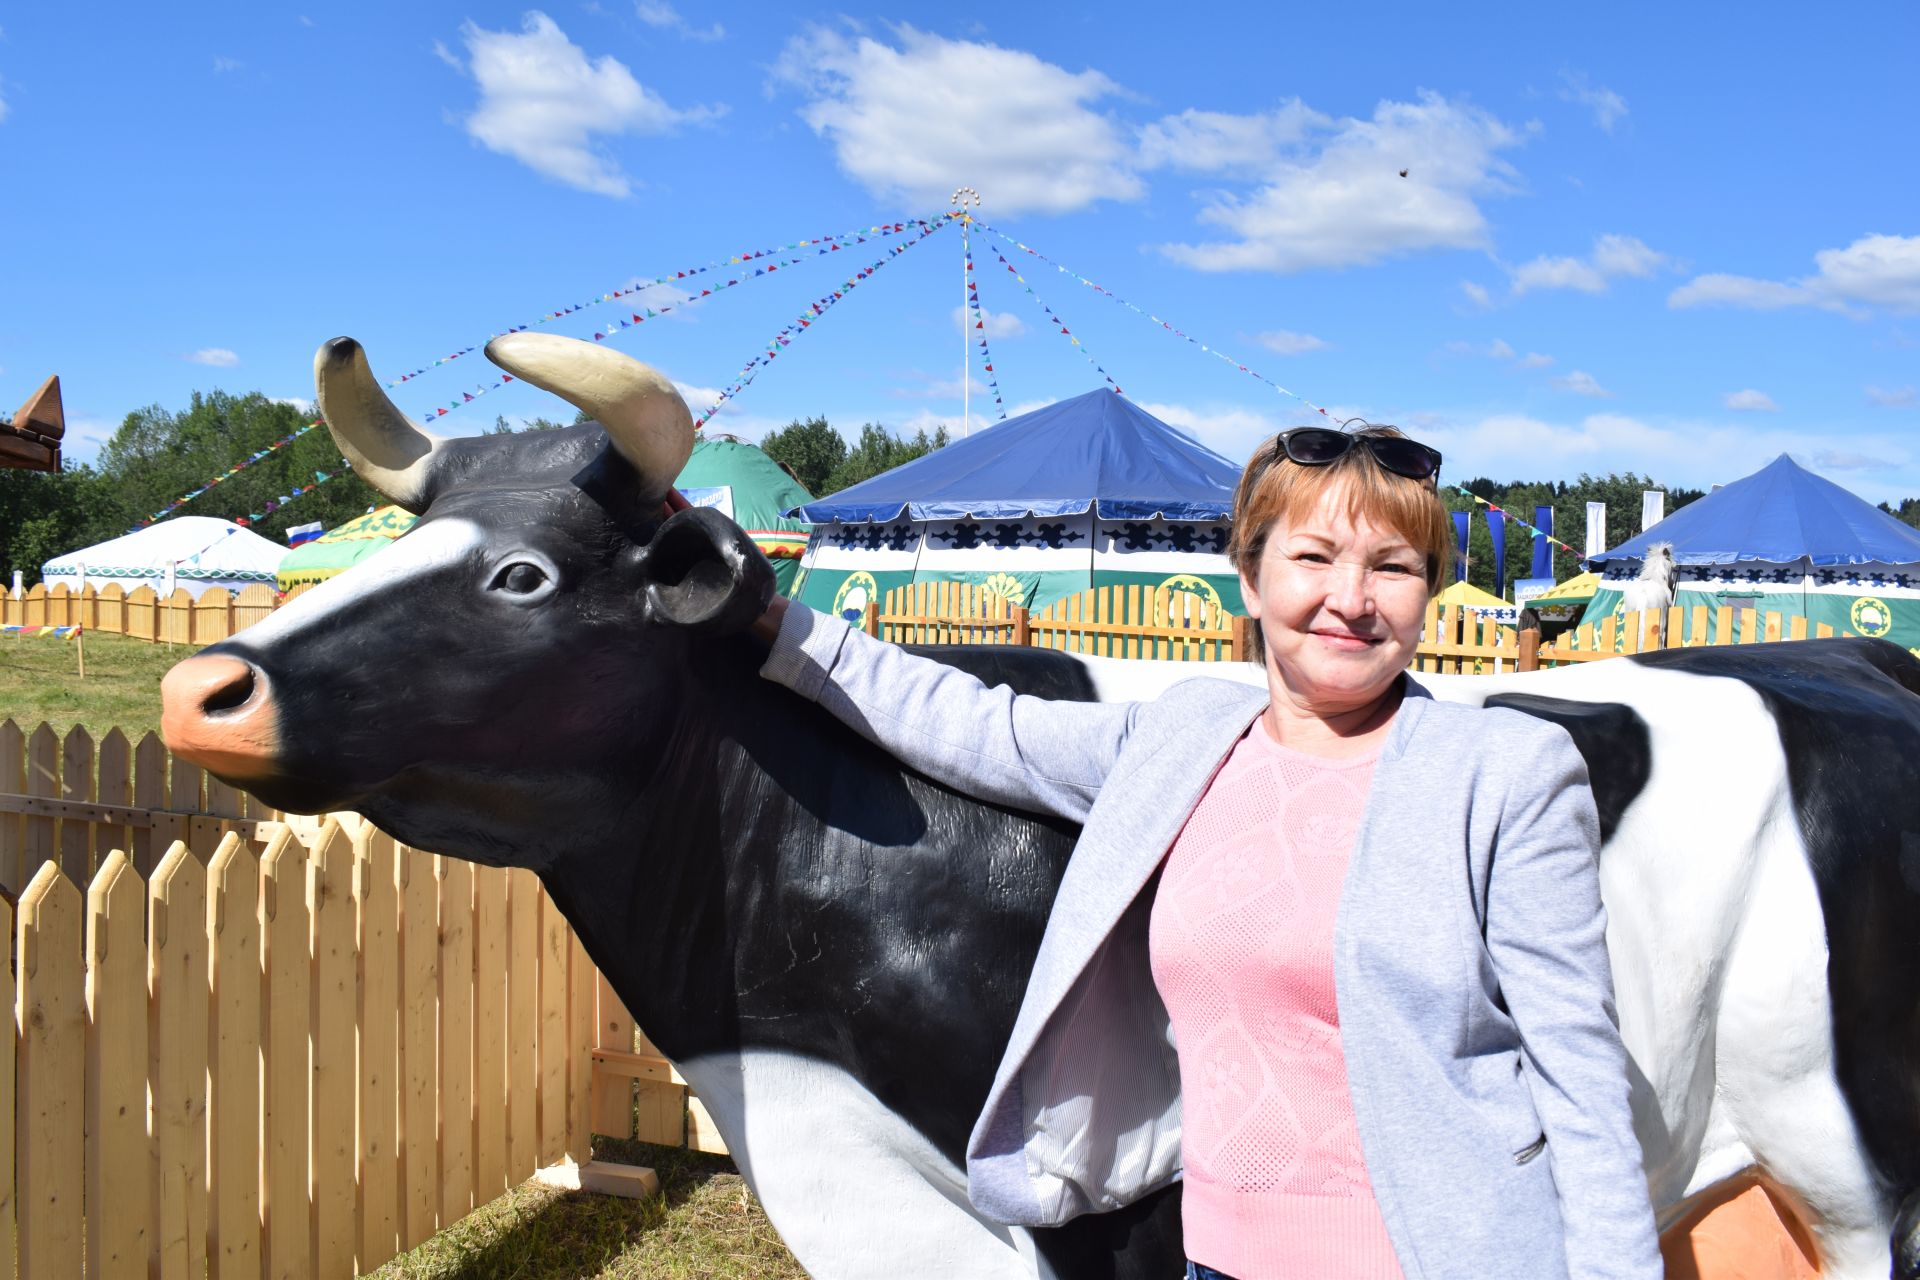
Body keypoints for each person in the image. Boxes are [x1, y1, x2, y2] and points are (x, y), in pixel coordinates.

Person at [750, 423, 1662, 1280]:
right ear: (1251, 577)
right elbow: (982, 728)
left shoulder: (1505, 772)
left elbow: (1578, 1074)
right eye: (1314, 557)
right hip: (1217, 1260)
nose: (1353, 599)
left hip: (1445, 1258)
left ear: (1429, 592)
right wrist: (769, 622)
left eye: (1394, 567)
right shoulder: (1185, 740)